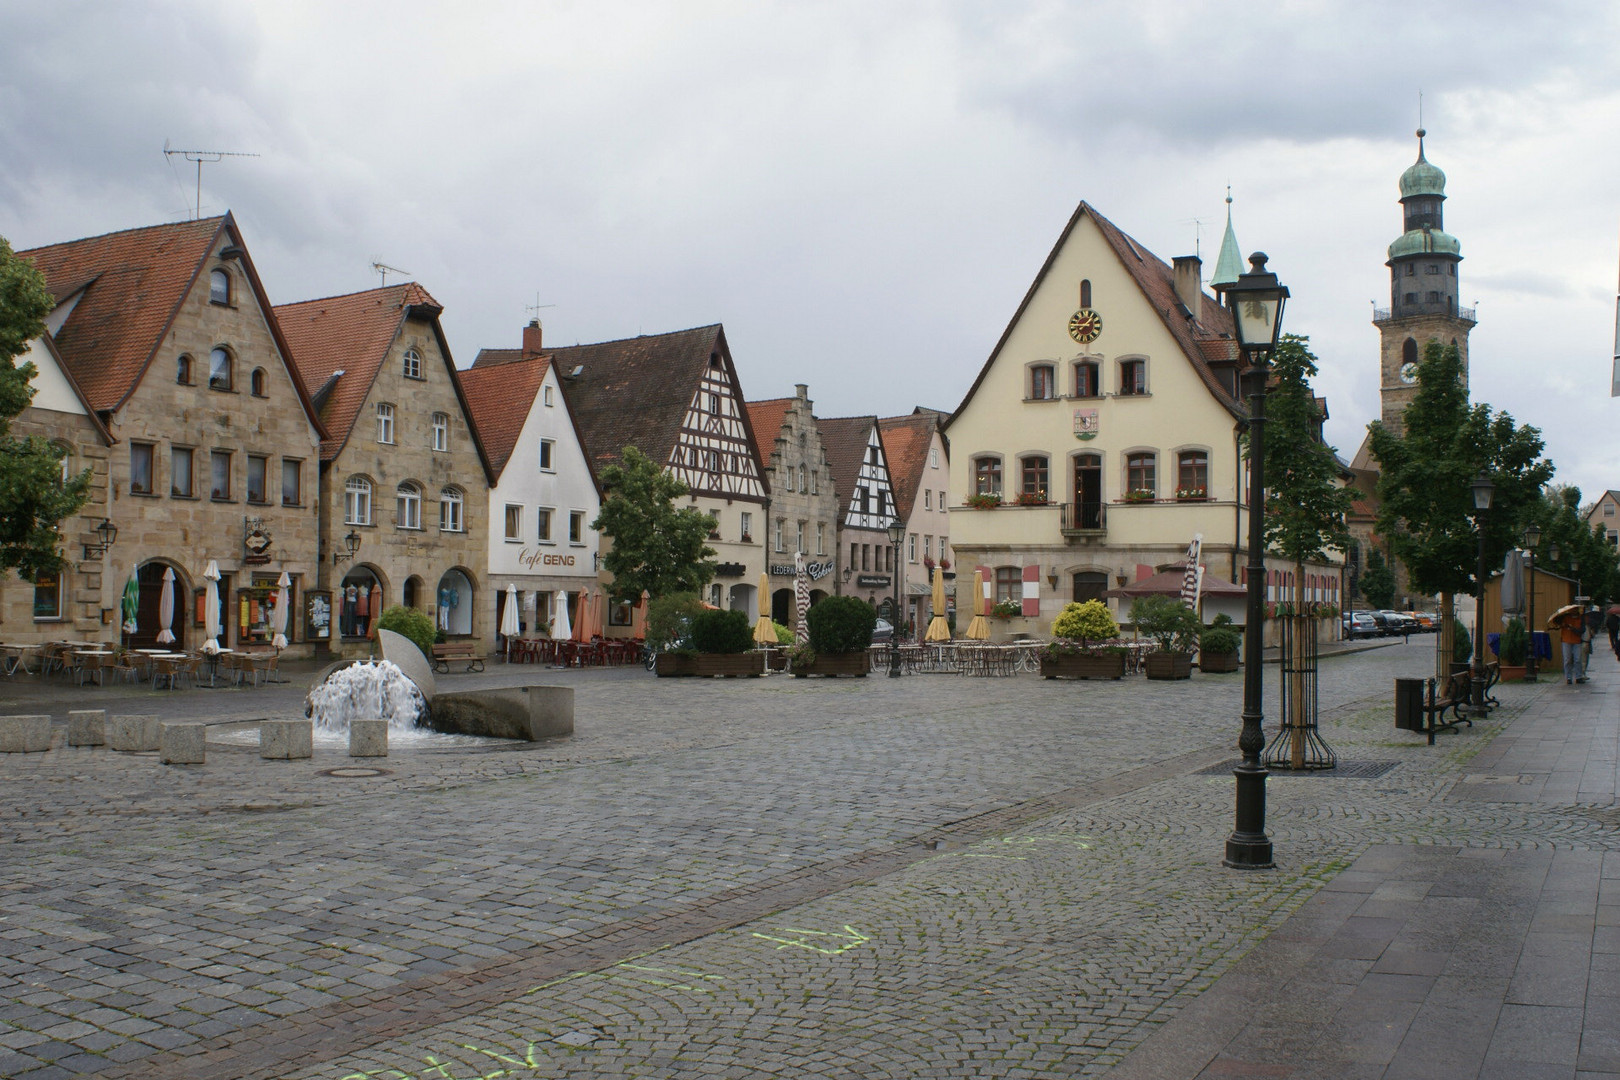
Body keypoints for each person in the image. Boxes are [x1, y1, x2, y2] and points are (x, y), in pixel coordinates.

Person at [1555, 607, 1586, 684]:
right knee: (1567, 659)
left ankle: (1578, 676)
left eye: (1575, 610)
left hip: (1577, 641)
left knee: (1577, 659)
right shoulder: (1565, 617)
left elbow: (1582, 630)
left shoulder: (1581, 618)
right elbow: (1557, 622)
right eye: (1572, 610)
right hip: (1566, 640)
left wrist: (1572, 628)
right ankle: (1568, 677)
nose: (1573, 611)